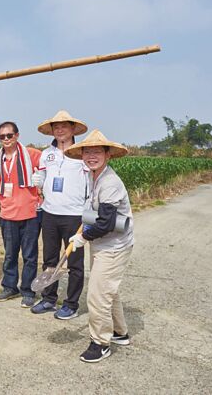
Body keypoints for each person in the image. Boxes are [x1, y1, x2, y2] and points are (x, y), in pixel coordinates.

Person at [64, 129, 134, 363]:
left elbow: (105, 223)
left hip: (115, 245)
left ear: (107, 154)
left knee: (96, 294)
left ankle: (100, 343)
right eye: (87, 151)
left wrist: (82, 238)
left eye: (97, 151)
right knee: (108, 290)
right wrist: (83, 231)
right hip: (103, 243)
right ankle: (119, 332)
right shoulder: (93, 176)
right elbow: (93, 215)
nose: (91, 156)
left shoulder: (110, 182)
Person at [31, 110, 89, 319]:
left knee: (74, 262)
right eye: (56, 127)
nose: (60, 129)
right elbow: (42, 176)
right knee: (49, 259)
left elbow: (90, 184)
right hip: (50, 212)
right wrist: (38, 180)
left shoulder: (82, 153)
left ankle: (71, 304)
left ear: (73, 129)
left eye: (64, 126)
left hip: (75, 215)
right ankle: (48, 298)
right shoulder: (47, 153)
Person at [0, 121, 41, 307]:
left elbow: (50, 169)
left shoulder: (32, 155)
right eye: (2, 136)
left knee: (30, 255)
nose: (6, 139)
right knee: (10, 254)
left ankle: (28, 290)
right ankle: (9, 287)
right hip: (7, 214)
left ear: (17, 135)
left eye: (9, 135)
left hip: (30, 213)